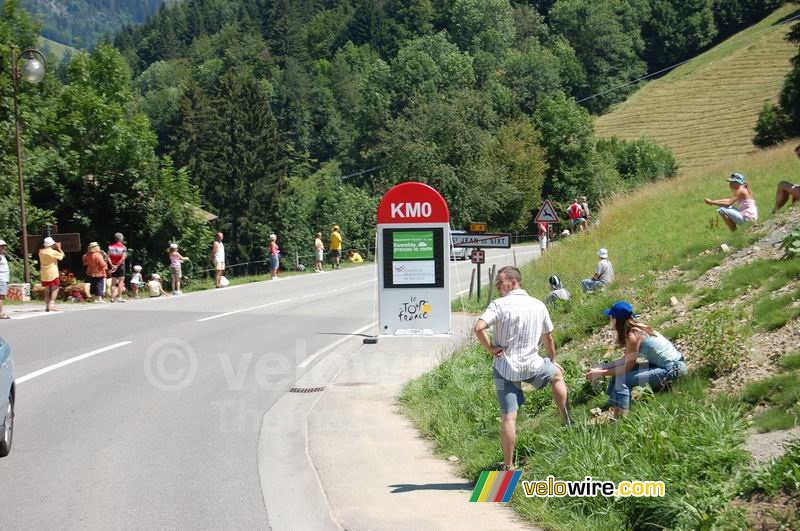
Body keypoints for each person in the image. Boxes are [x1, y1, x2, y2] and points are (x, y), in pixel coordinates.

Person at [473, 266, 571, 471]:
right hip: (532, 365)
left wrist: (491, 348)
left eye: (500, 281)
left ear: (514, 282)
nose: (497, 285)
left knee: (508, 417)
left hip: (504, 367)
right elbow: (548, 337)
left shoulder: (498, 305)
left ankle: (508, 466)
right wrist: (552, 360)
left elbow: (479, 327)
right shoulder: (538, 305)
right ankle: (567, 420)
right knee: (557, 375)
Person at [585, 301, 688, 417]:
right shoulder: (637, 329)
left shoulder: (632, 336)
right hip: (674, 364)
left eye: (611, 317)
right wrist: (602, 367)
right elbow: (626, 360)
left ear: (616, 320)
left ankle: (621, 418)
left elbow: (626, 367)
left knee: (622, 379)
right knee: (618, 372)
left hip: (673, 369)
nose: (610, 319)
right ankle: (613, 405)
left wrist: (601, 373)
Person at [39, 237, 64, 312]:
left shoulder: (41, 252)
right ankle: (52, 305)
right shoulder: (53, 252)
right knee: (55, 288)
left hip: (44, 272)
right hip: (52, 272)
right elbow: (62, 256)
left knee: (47, 289)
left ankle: (47, 306)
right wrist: (59, 248)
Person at [108, 233, 127, 303]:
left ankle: (112, 298)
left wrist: (112, 265)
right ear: (121, 239)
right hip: (120, 266)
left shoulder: (110, 247)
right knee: (121, 282)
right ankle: (119, 297)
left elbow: (108, 257)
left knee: (113, 283)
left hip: (113, 266)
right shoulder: (123, 247)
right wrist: (117, 266)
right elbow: (123, 258)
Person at [0, 239, 9, 319]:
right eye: (1, 246)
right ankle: (1, 313)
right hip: (1, 279)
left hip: (3, 278)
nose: (3, 248)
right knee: (1, 297)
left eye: (3, 246)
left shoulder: (2, 256)